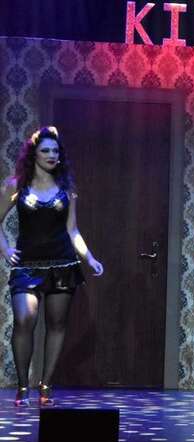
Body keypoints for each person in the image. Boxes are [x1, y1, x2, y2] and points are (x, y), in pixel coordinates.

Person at [0, 126, 104, 407]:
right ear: (33, 154)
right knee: (25, 319)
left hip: (62, 263)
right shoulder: (15, 186)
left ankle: (46, 385)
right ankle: (23, 387)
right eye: (45, 150)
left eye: (55, 151)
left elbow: (73, 230)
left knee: (57, 325)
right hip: (27, 266)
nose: (51, 155)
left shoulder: (66, 189)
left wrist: (89, 258)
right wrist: (6, 249)